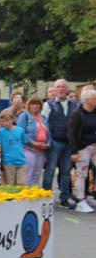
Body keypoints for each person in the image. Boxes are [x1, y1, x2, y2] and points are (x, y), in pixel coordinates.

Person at [43, 79, 78, 207]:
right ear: (55, 89)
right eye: (58, 87)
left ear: (67, 89)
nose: (61, 89)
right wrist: (49, 141)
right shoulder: (48, 104)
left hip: (69, 143)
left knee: (66, 172)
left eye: (63, 87)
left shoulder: (74, 105)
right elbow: (44, 123)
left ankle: (65, 198)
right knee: (50, 171)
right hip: (55, 142)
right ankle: (46, 197)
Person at [69, 87, 96, 212]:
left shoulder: (94, 112)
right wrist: (74, 151)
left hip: (94, 146)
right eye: (94, 98)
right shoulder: (77, 114)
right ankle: (81, 201)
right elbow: (71, 133)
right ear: (87, 100)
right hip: (82, 148)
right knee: (82, 175)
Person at [17, 97, 50, 187]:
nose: (34, 106)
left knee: (37, 174)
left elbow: (48, 133)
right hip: (29, 149)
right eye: (32, 104)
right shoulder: (24, 116)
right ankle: (26, 195)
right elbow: (21, 133)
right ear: (28, 105)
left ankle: (34, 195)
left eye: (37, 104)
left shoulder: (43, 117)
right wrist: (34, 143)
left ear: (40, 106)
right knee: (28, 174)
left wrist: (48, 143)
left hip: (41, 151)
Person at [0, 109, 30, 185]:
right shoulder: (0, 132)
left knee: (22, 183)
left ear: (12, 119)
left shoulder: (20, 130)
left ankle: (20, 196)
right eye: (3, 121)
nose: (5, 123)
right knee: (10, 184)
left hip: (21, 160)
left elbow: (23, 143)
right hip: (8, 161)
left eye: (7, 120)